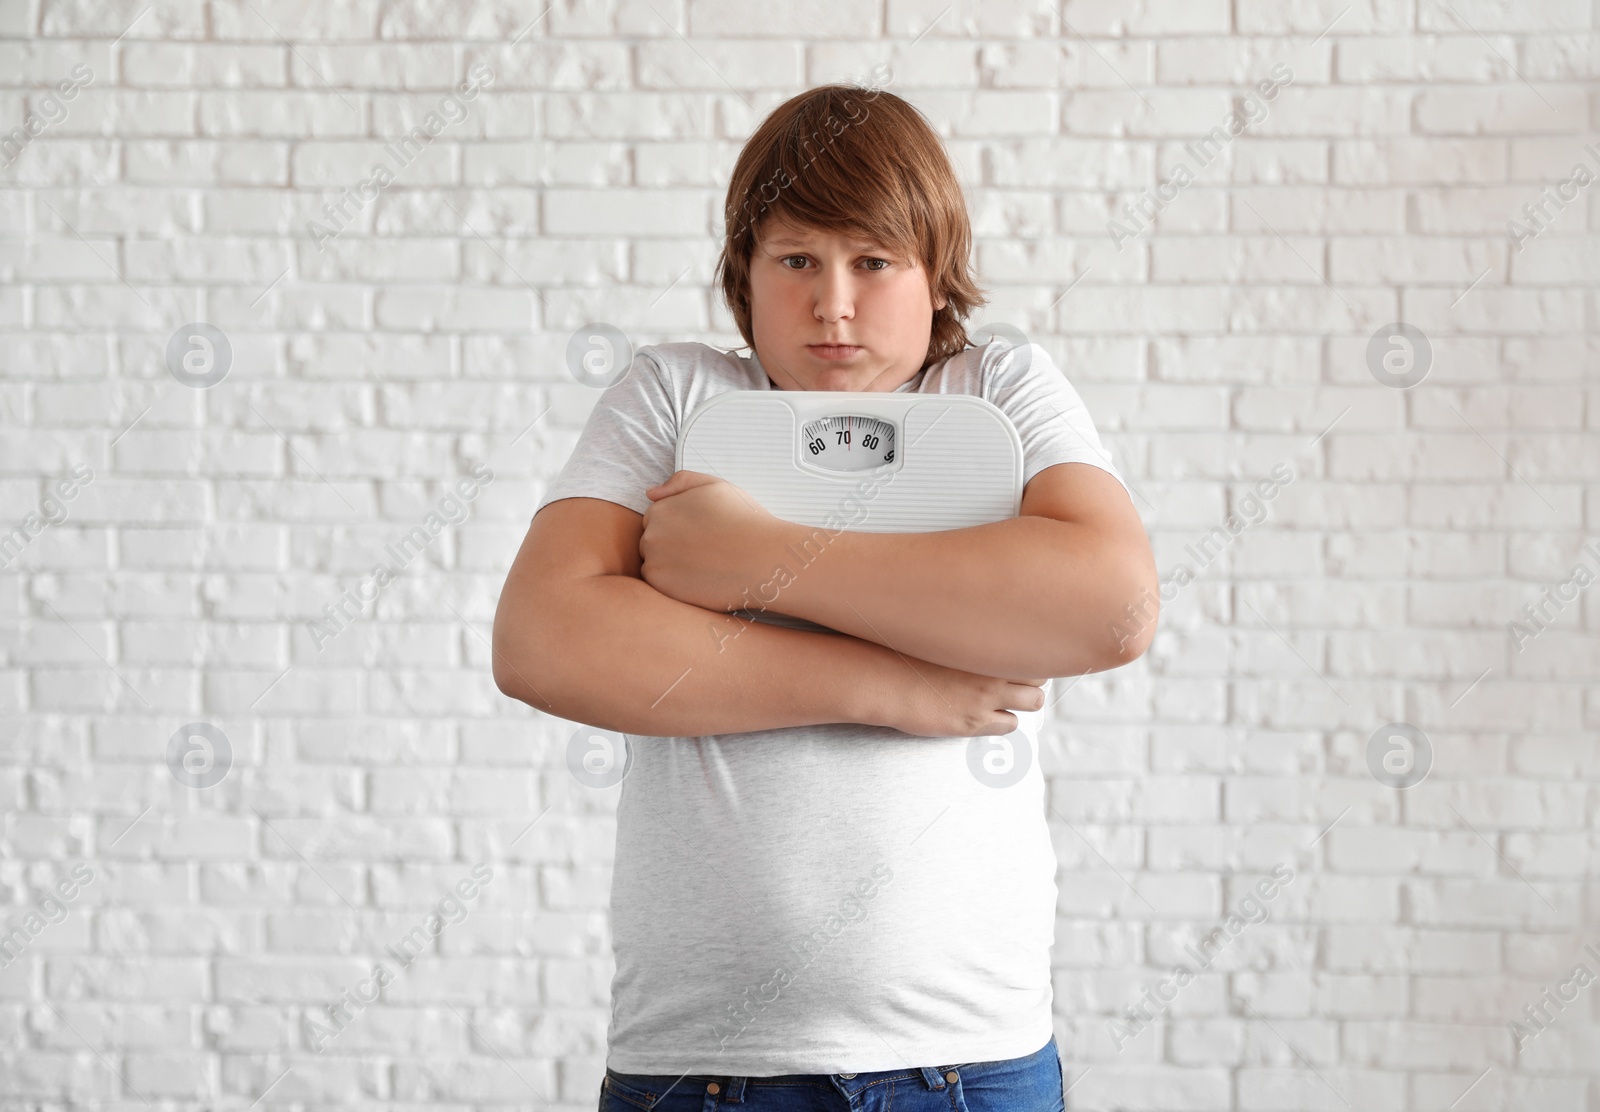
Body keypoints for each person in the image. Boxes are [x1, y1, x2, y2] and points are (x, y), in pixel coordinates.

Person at [492, 82, 1158, 1112]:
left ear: (935, 276)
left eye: (873, 261)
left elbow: (1111, 607)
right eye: (795, 258)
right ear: (743, 275)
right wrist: (892, 687)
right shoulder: (674, 394)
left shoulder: (998, 388)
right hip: (701, 1066)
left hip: (970, 1062)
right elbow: (544, 639)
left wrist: (756, 556)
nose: (832, 301)